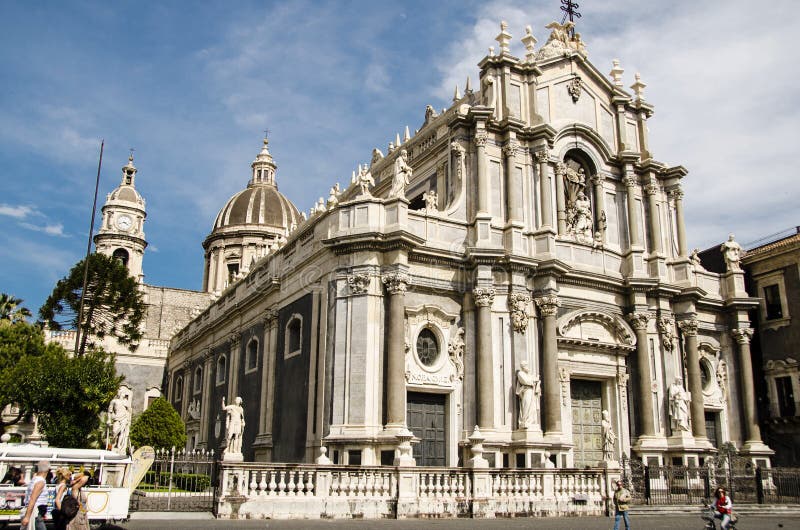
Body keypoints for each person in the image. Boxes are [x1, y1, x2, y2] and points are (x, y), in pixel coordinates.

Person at [20, 460, 48, 530]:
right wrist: (27, 517)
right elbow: (32, 499)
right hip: (36, 513)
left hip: (37, 513)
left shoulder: (34, 479)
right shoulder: (40, 482)